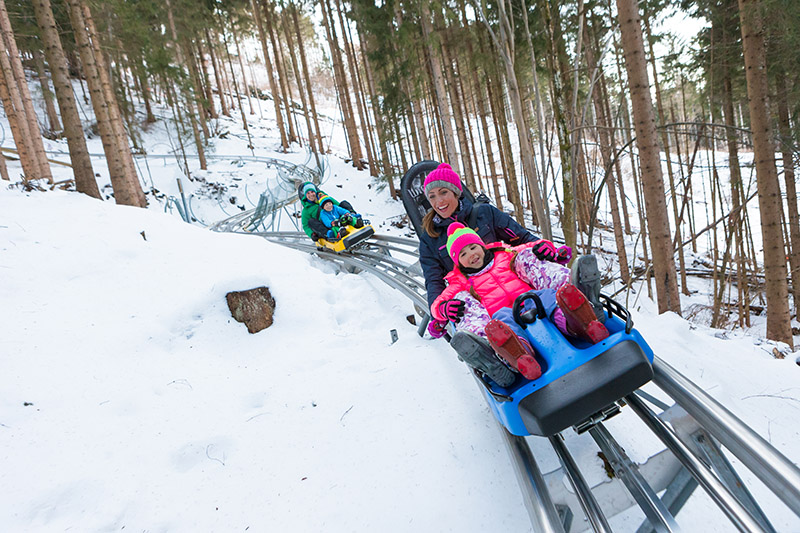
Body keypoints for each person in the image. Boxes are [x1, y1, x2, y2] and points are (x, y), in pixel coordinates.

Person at [417, 163, 565, 385]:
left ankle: (572, 296)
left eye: (443, 192)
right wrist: (440, 310)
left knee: (528, 260)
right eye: (432, 196)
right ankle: (497, 356)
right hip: (479, 299)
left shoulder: (484, 214)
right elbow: (434, 282)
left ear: (456, 191)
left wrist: (544, 249)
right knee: (465, 306)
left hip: (512, 279)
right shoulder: (430, 238)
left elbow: (523, 241)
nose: (439, 202)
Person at [430, 223, 608, 384]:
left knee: (535, 272)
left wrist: (550, 249)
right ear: (457, 261)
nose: (471, 254)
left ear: (482, 246)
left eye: (473, 247)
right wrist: (442, 312)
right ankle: (518, 356)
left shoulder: (505, 254)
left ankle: (580, 318)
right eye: (463, 254)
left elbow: (533, 246)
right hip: (504, 317)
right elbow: (440, 302)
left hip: (533, 299)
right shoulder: (460, 281)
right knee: (475, 309)